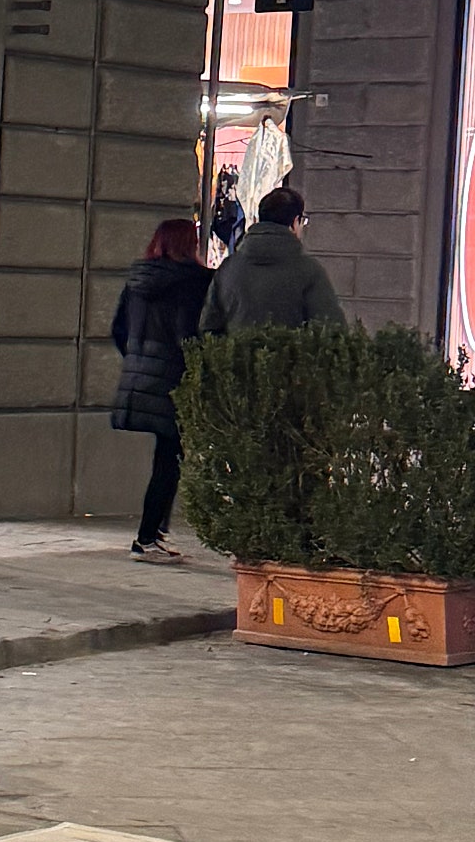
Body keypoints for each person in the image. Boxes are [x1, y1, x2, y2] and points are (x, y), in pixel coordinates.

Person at [109, 218, 212, 565]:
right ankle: (147, 537)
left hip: (142, 377)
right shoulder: (195, 282)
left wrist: (138, 360)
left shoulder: (138, 281)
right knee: (169, 460)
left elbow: (118, 328)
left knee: (167, 457)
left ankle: (154, 533)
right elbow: (192, 334)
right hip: (176, 378)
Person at [198, 185, 345, 335]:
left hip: (236, 350)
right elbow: (332, 330)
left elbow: (209, 328)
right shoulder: (310, 271)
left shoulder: (228, 268)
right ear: (295, 222)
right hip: (292, 351)